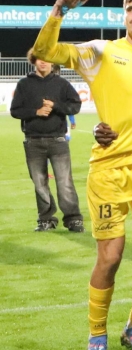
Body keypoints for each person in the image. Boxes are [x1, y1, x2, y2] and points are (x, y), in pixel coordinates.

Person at [33, 0, 132, 350]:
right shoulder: (102, 52)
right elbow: (44, 52)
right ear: (123, 16)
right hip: (111, 170)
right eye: (130, 9)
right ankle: (97, 335)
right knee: (110, 257)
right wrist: (59, 9)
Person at [11, 50, 83, 233]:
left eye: (47, 59)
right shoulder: (24, 84)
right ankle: (46, 219)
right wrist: (36, 112)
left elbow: (75, 106)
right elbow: (15, 110)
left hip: (58, 140)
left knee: (65, 182)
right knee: (39, 183)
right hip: (33, 141)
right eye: (39, 59)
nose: (43, 62)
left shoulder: (62, 83)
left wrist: (55, 106)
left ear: (53, 62)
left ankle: (73, 219)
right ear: (33, 61)